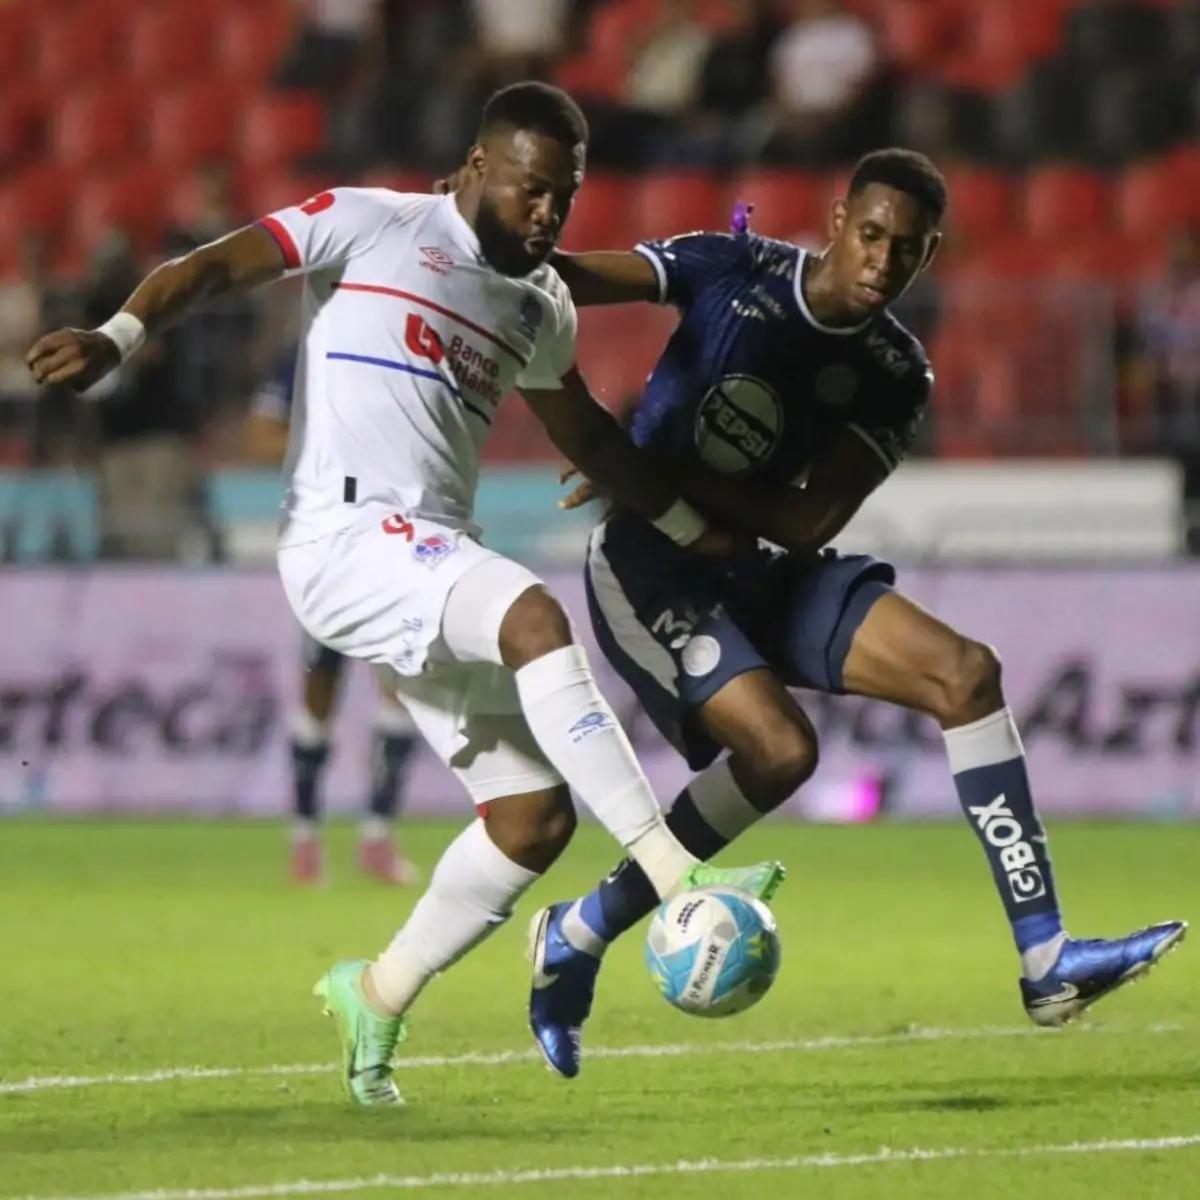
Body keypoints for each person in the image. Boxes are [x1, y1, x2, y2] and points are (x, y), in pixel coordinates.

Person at [26, 81, 785, 1107]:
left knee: (531, 820)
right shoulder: (367, 223)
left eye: (565, 195)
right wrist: (117, 337)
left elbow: (594, 443)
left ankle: (376, 993)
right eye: (530, 190)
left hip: (427, 551)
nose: (548, 215)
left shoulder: (539, 302)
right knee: (531, 616)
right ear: (476, 168)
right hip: (340, 538)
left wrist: (705, 532)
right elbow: (212, 267)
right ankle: (674, 877)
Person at [523, 148, 1187, 1079]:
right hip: (645, 562)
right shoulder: (732, 268)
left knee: (968, 674)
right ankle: (582, 931)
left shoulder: (894, 372)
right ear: (837, 221)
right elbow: (575, 275)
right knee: (782, 751)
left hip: (752, 558)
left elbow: (807, 521)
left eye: (906, 250)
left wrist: (642, 465)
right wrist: (472, 245)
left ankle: (1047, 959)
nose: (881, 261)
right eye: (871, 234)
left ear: (928, 258)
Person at [243, 352, 420, 886]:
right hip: (327, 547)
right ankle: (305, 840)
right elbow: (260, 437)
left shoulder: (400, 348)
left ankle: (377, 838)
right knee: (319, 688)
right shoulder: (306, 355)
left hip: (396, 541)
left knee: (401, 686)